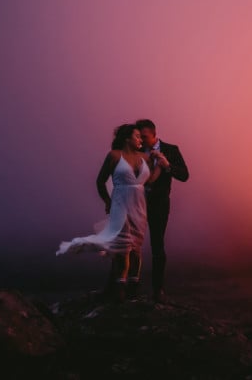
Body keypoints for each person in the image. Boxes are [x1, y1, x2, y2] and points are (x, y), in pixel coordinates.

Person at [56, 123, 168, 302]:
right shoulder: (114, 156)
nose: (141, 140)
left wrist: (160, 166)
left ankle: (133, 288)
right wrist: (107, 201)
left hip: (139, 205)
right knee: (123, 247)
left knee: (136, 248)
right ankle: (119, 289)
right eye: (137, 136)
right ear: (127, 138)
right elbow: (100, 182)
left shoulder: (144, 158)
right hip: (120, 203)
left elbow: (149, 182)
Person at [135, 118, 189, 303]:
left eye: (144, 137)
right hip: (138, 203)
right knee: (132, 245)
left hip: (159, 204)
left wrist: (167, 166)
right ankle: (131, 286)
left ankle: (158, 290)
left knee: (157, 245)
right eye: (139, 137)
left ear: (154, 134)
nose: (141, 140)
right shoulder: (136, 150)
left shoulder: (171, 149)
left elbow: (184, 175)